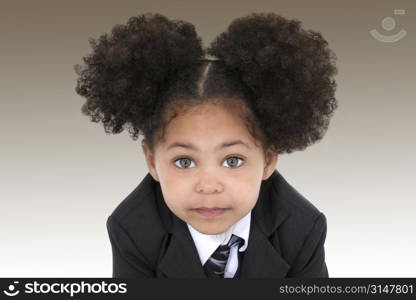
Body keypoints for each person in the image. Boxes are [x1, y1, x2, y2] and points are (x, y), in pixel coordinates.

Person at [74, 11, 338, 278]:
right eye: (184, 162)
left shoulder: (301, 228)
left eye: (232, 160)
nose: (209, 186)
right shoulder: (132, 228)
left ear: (268, 160)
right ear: (152, 162)